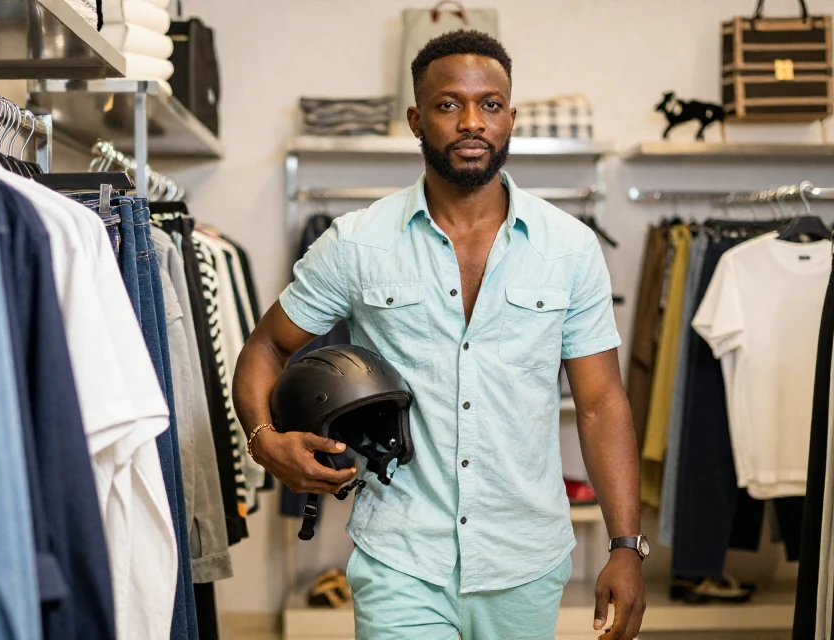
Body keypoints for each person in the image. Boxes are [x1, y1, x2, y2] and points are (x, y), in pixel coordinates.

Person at [232, 30, 646, 640]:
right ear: (416, 119)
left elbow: (601, 402)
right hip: (401, 554)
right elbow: (266, 346)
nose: (472, 121)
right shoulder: (356, 242)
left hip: (525, 560)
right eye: (449, 104)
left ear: (511, 116)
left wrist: (625, 546)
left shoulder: (571, 249)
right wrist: (264, 439)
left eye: (491, 104)